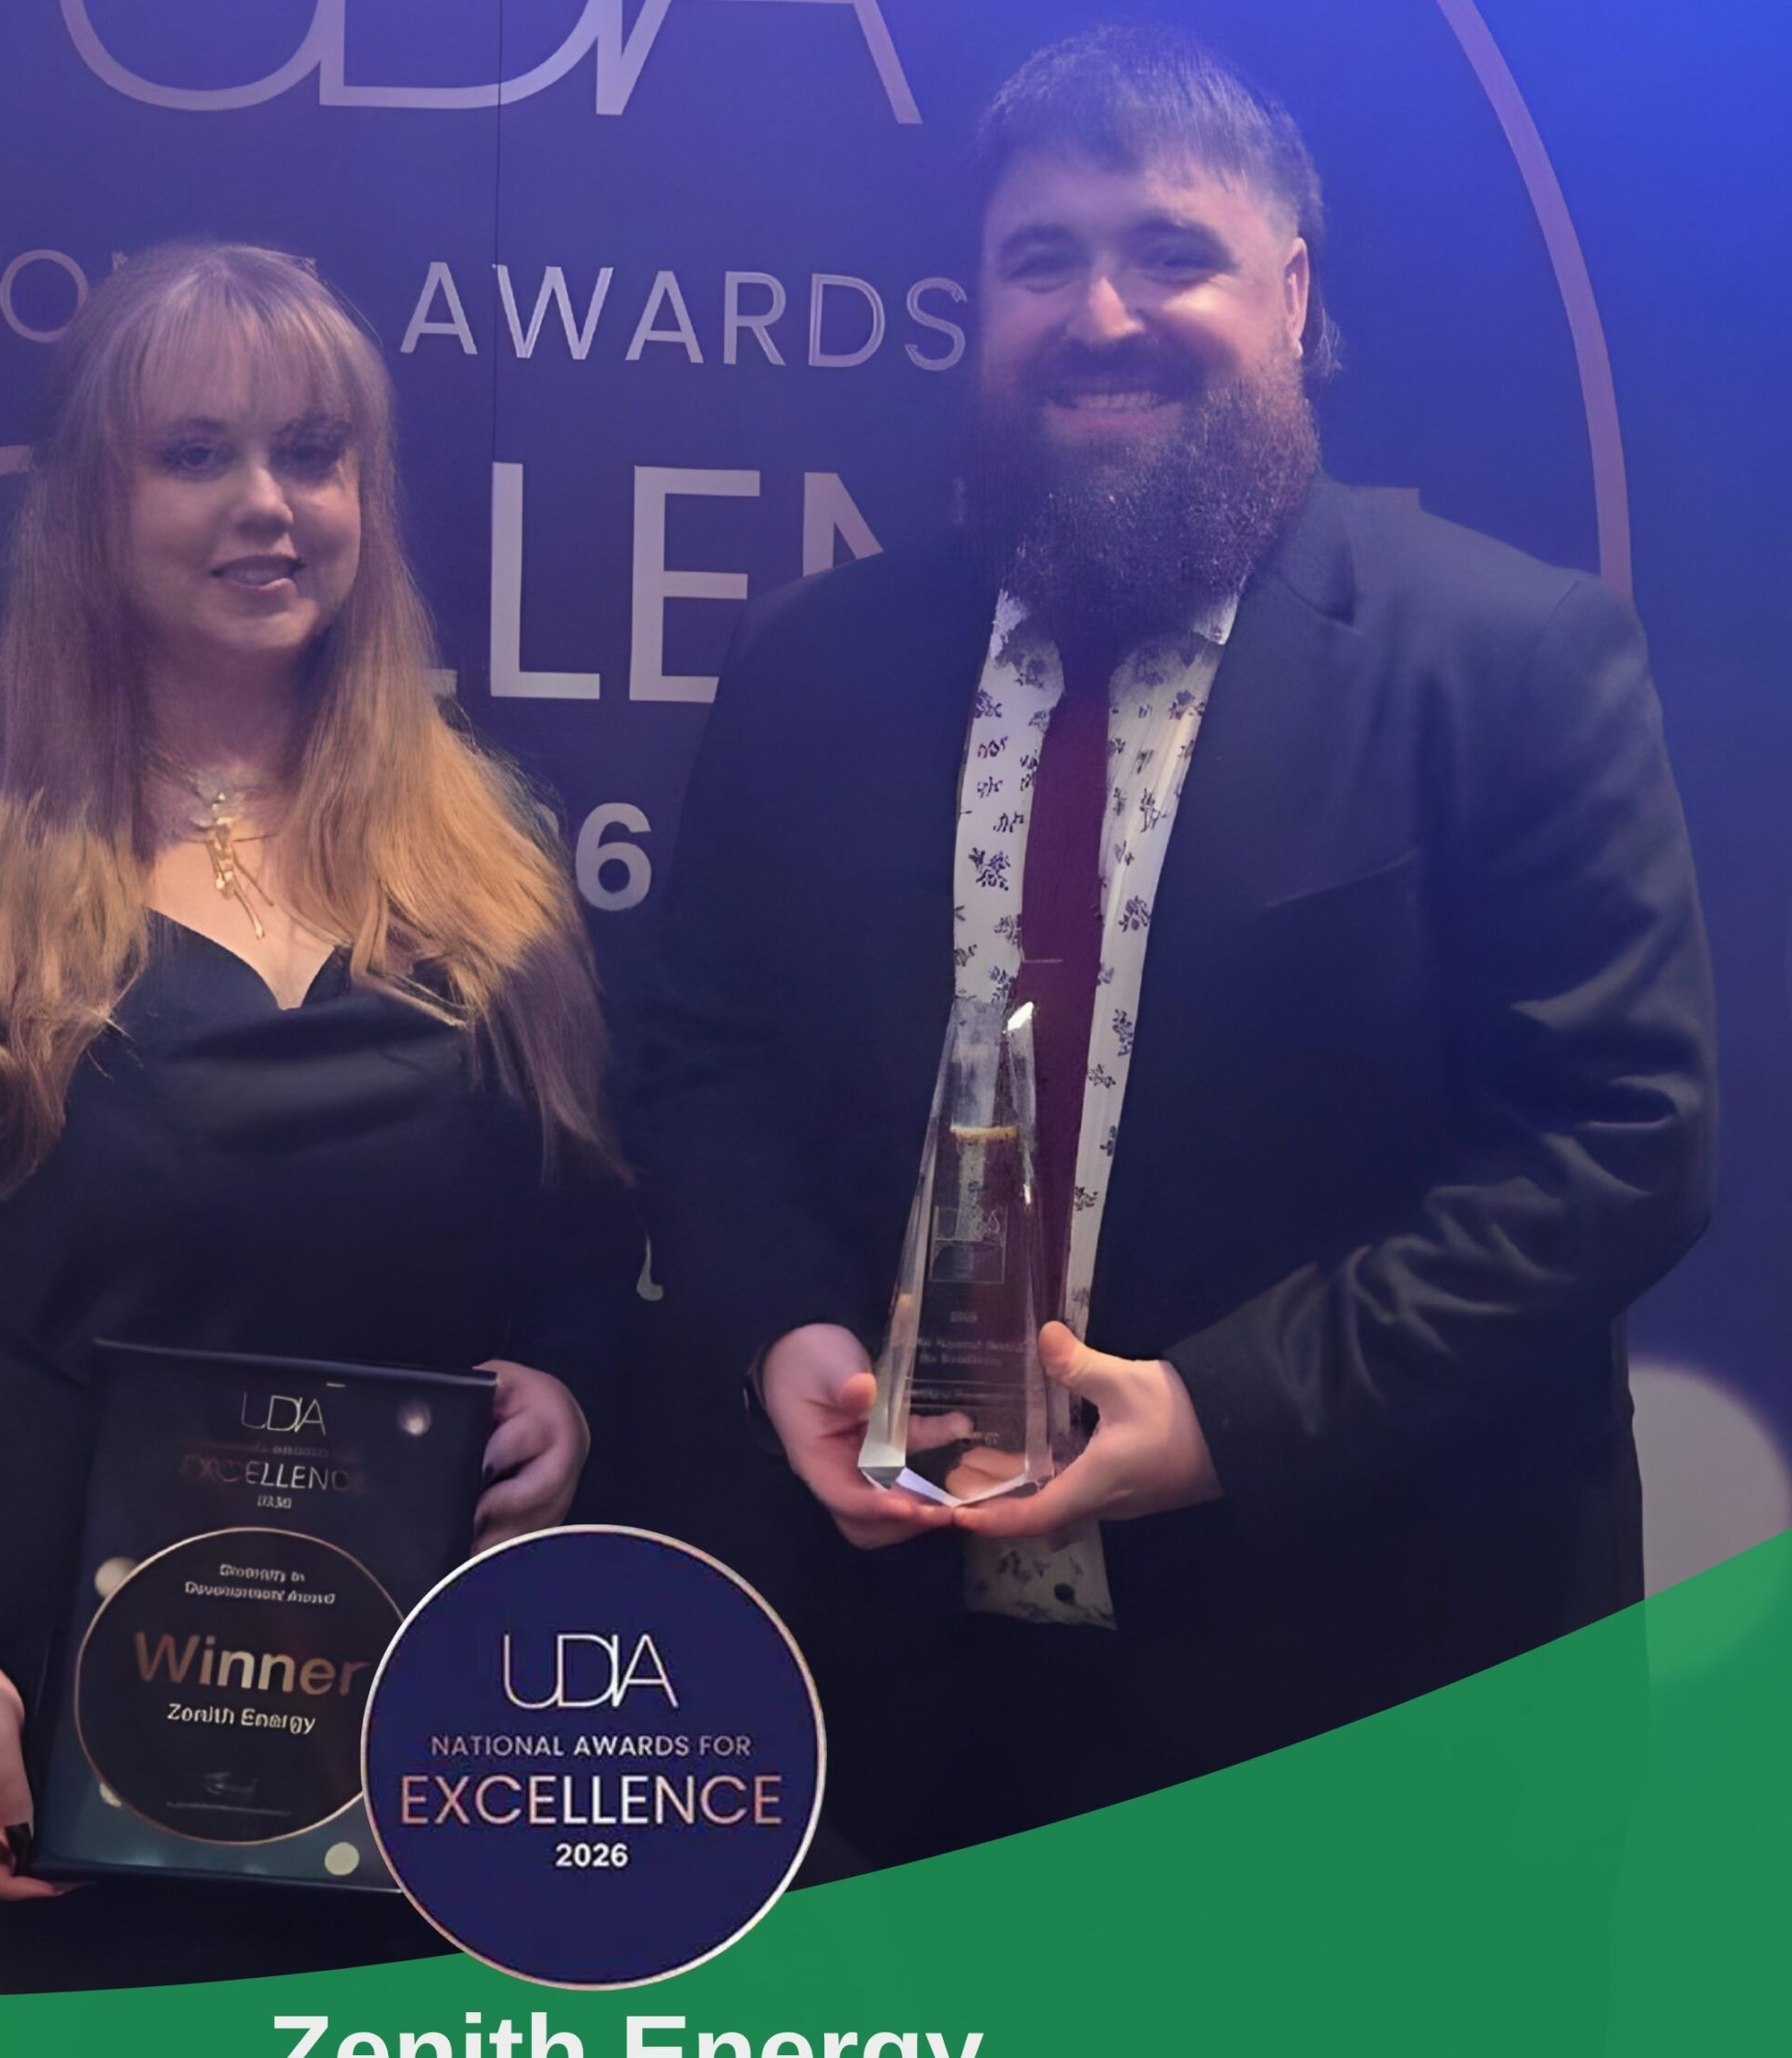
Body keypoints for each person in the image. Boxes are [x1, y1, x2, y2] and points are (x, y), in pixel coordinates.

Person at [620, 29, 1715, 1865]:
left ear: (1291, 296)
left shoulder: (1510, 663)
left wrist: (1222, 1413)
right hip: (889, 1715)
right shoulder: (814, 665)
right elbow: (700, 1057)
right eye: (1039, 260)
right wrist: (787, 1327)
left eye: (1169, 254)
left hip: (1375, 1724)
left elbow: (1618, 1143)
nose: (1099, 314)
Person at [0, 242, 632, 1994]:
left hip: (406, 1767)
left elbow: (576, 1230)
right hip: (15, 1758)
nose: (269, 505)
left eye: (314, 453)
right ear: (91, 500)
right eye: (196, 455)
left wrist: (565, 1388)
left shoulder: (492, 848)